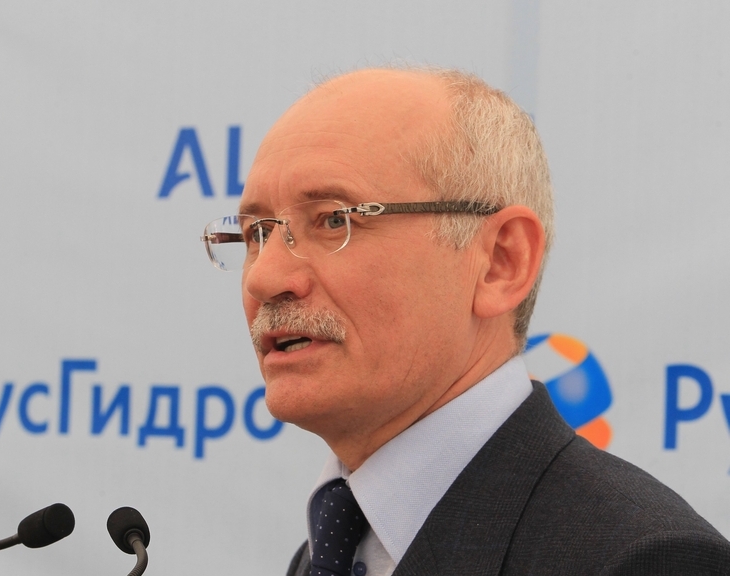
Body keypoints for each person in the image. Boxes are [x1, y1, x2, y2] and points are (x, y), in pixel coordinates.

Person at [200, 67, 730, 575]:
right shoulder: (336, 544)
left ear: (501, 262)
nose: (263, 277)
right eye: (256, 234)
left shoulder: (641, 559)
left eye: (334, 219)